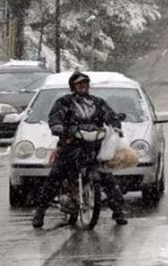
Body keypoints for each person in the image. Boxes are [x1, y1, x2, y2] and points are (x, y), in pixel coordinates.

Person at [32, 71, 128, 228]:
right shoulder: (64, 102)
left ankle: (118, 211)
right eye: (79, 84)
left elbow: (110, 115)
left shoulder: (98, 102)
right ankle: (40, 211)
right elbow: (55, 117)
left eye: (85, 83)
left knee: (107, 178)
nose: (83, 86)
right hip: (71, 147)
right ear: (73, 87)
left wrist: (116, 125)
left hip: (94, 149)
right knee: (55, 177)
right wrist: (58, 127)